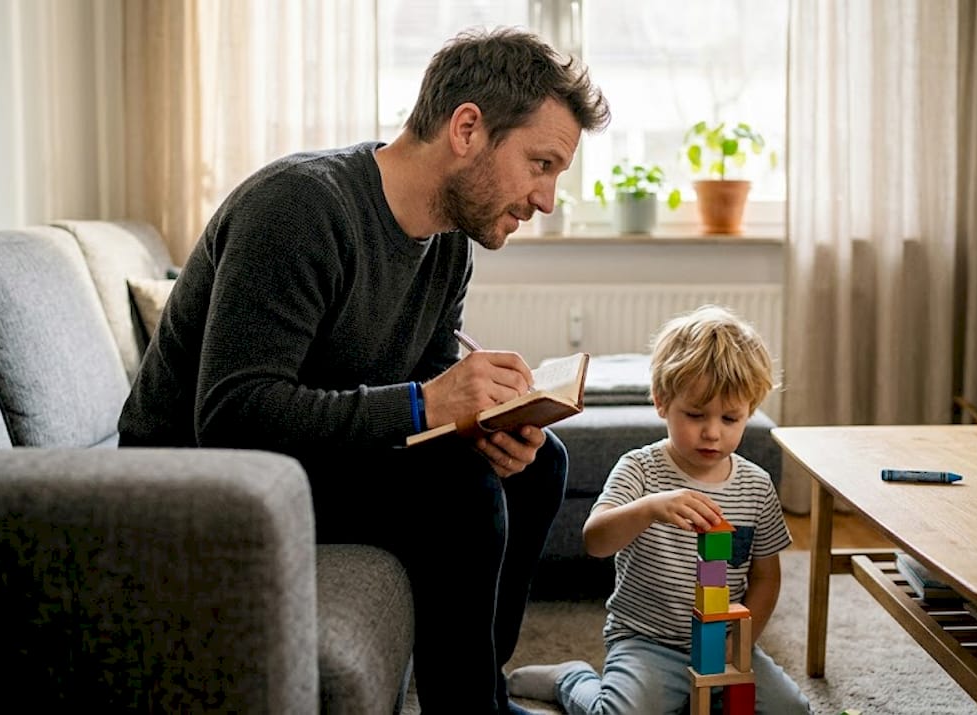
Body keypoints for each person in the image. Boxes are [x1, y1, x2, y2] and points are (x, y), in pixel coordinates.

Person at [117, 26, 611, 715]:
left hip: (308, 459)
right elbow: (232, 412)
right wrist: (425, 406)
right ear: (467, 127)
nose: (548, 198)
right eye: (541, 163)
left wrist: (485, 422)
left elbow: (429, 377)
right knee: (461, 491)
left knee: (537, 464)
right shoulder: (298, 208)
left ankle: (478, 692)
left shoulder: (447, 247)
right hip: (197, 479)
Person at [505, 305, 810, 714]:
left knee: (792, 709)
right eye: (695, 414)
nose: (712, 431)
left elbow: (766, 577)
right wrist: (648, 509)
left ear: (750, 412)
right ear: (662, 402)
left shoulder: (755, 486)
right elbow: (595, 540)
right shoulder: (640, 469)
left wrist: (740, 642)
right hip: (647, 642)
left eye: (730, 417)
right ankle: (573, 678)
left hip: (723, 644)